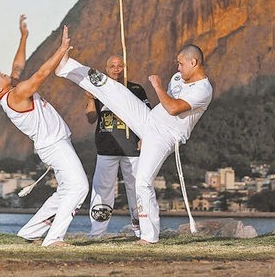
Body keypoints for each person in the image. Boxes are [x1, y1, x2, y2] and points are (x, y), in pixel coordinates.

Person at [56, 36, 213, 244]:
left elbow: (174, 108)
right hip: (148, 121)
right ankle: (67, 67)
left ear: (193, 63)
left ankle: (149, 236)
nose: (178, 67)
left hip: (164, 135)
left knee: (142, 182)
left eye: (181, 63)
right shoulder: (178, 78)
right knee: (115, 90)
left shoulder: (203, 89)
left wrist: (157, 87)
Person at [0, 15, 88, 247]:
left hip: (55, 144)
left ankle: (29, 232)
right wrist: (62, 49)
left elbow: (18, 66)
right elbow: (40, 75)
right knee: (79, 187)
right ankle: (54, 239)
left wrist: (24, 37)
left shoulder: (12, 90)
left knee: (65, 192)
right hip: (54, 146)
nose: (0, 71)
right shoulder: (16, 96)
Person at [85, 55, 151, 238]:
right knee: (102, 189)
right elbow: (91, 118)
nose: (116, 69)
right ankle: (97, 232)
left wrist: (143, 137)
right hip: (106, 147)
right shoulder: (99, 89)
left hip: (132, 149)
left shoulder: (136, 89)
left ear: (124, 68)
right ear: (106, 69)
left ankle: (141, 229)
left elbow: (148, 115)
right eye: (112, 66)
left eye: (119, 66)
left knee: (135, 188)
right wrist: (90, 99)